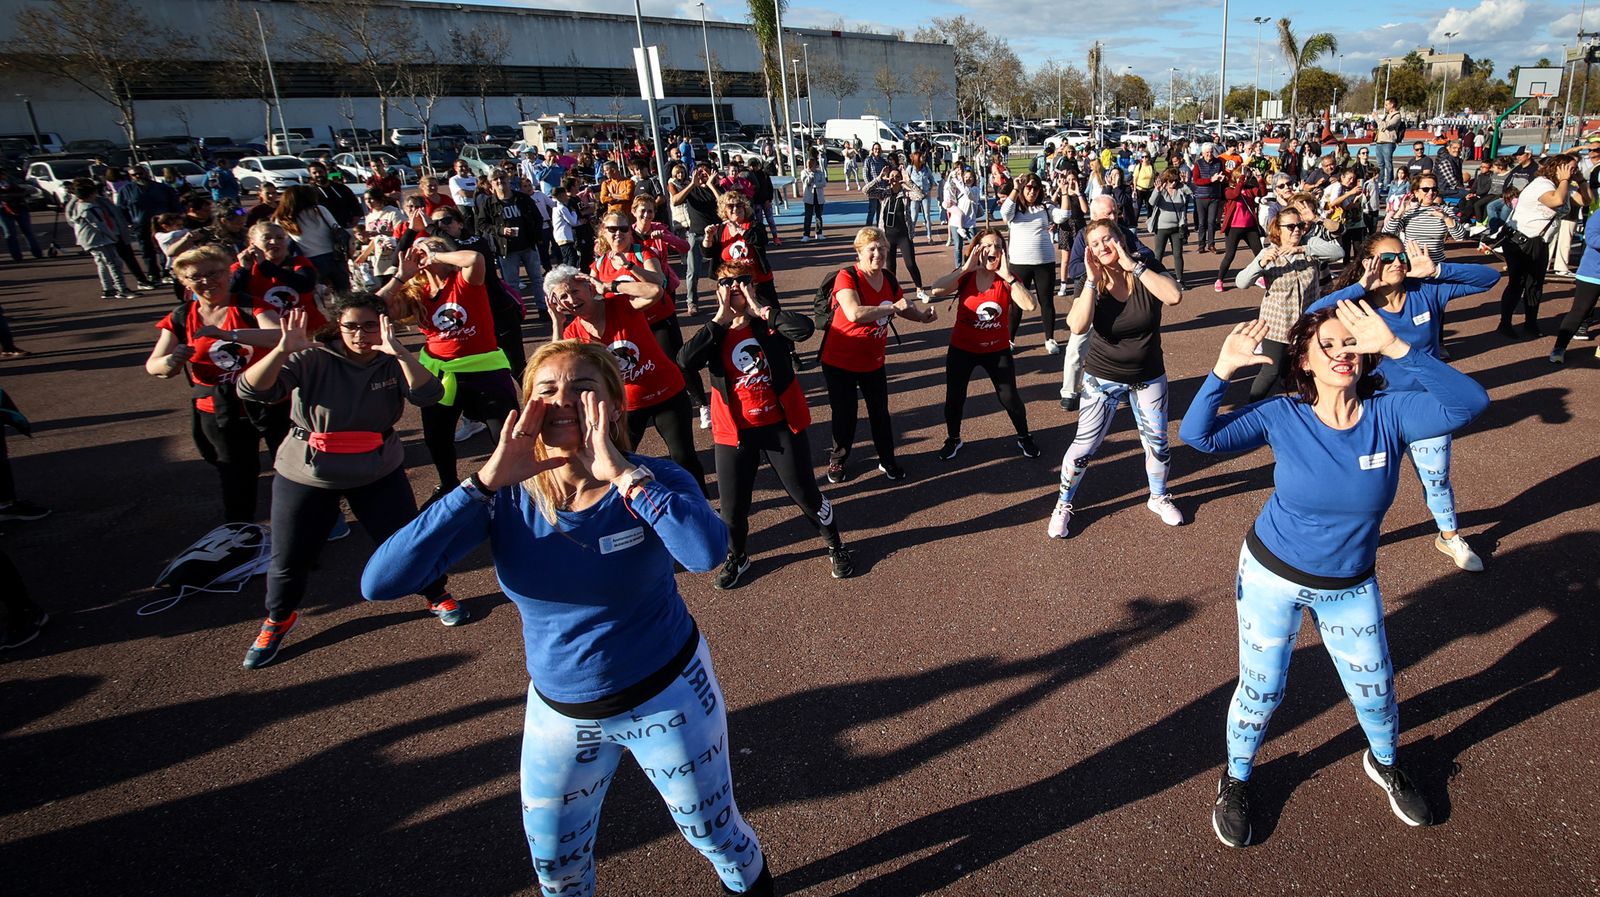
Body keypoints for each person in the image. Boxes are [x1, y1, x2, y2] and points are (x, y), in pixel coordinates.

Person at [360, 339, 774, 896]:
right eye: (547, 389)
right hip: (561, 713)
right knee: (556, 868)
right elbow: (380, 583)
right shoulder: (505, 497)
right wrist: (482, 483)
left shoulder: (653, 479)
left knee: (716, 838)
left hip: (668, 696)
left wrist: (624, 476)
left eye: (583, 388)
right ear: (525, 404)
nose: (563, 401)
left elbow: (705, 553)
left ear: (614, 405)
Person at [1181, 300, 1490, 847]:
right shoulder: (1283, 415)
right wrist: (1223, 369)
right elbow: (1199, 437)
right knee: (1263, 690)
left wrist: (1398, 348)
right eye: (1328, 344)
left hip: (1349, 585)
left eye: (1351, 342)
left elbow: (1469, 403)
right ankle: (1235, 778)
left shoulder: (1391, 413)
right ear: (1304, 358)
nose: (1342, 352)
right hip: (1270, 575)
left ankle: (1386, 761)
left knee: (1374, 691)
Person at [235, 298, 457, 668]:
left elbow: (429, 395)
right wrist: (279, 351)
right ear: (338, 327)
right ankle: (278, 618)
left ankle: (436, 593)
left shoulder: (390, 360)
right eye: (351, 326)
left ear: (385, 326)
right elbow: (252, 390)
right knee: (290, 555)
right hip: (307, 470)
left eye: (370, 325)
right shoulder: (312, 357)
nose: (360, 334)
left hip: (376, 469)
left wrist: (401, 353)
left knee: (404, 541)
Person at [1305, 235, 1500, 571]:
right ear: (1369, 262)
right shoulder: (1358, 304)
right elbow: (1312, 313)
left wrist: (1436, 269)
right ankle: (1352, 539)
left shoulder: (1425, 291)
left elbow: (1490, 279)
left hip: (1427, 405)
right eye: (1387, 258)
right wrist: (1360, 286)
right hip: (1376, 407)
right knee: (1364, 480)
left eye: (1401, 256)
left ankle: (1449, 536)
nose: (1396, 263)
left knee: (1436, 477)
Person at [678, 260, 854, 589]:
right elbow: (685, 361)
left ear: (753, 285)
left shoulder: (769, 322)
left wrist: (760, 308)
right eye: (727, 282)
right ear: (718, 289)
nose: (735, 288)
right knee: (732, 509)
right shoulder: (714, 332)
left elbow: (803, 330)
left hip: (779, 426)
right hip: (735, 432)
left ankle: (835, 544)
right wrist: (719, 319)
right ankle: (738, 555)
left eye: (742, 281)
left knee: (806, 494)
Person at [1047, 219, 1185, 537]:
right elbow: (1077, 326)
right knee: (1084, 447)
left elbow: (1173, 296)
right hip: (1102, 378)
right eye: (1095, 243)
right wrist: (1093, 283)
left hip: (1148, 376)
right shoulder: (1090, 280)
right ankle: (1063, 503)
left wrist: (1132, 266)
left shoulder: (1145, 265)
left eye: (1108, 239)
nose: (1102, 247)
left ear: (1121, 239)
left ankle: (1159, 497)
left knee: (1158, 445)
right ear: (1089, 251)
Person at [145, 245, 291, 522]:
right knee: (235, 473)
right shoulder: (180, 317)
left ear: (228, 273)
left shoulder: (251, 305)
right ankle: (239, 531)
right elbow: (155, 366)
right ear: (183, 282)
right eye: (196, 276)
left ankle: (303, 527)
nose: (207, 281)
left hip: (269, 401)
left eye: (215, 273)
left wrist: (228, 334)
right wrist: (173, 360)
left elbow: (278, 338)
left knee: (289, 468)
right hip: (217, 408)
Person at [377, 238, 519, 499]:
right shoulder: (415, 293)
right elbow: (374, 309)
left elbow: (475, 259)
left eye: (433, 245)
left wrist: (436, 256)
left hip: (484, 369)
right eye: (419, 248)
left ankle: (513, 486)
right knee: (437, 436)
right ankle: (448, 483)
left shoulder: (466, 281)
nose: (425, 251)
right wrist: (400, 275)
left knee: (505, 433)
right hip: (440, 373)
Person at [548, 264, 706, 489]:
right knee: (618, 458)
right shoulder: (573, 331)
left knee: (683, 457)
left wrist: (610, 286)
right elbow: (557, 364)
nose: (571, 300)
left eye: (574, 291)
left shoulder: (620, 305)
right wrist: (557, 322)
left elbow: (655, 292)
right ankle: (629, 509)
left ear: (588, 287)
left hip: (667, 392)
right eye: (563, 296)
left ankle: (702, 507)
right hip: (625, 406)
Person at [819, 227, 937, 483]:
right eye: (871, 249)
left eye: (882, 248)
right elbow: (853, 313)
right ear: (859, 252)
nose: (878, 253)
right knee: (845, 414)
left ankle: (887, 460)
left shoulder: (888, 278)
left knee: (880, 413)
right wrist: (894, 307)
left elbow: (902, 307)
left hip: (872, 360)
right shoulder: (847, 276)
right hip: (840, 361)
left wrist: (922, 318)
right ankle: (838, 461)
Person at [923, 228, 1040, 461]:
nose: (992, 250)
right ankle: (953, 438)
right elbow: (935, 289)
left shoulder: (1007, 278)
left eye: (998, 246)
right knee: (955, 396)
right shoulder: (966, 275)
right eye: (987, 245)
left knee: (1009, 397)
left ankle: (1024, 435)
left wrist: (1008, 276)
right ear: (977, 249)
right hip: (962, 349)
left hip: (996, 350)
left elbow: (1030, 306)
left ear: (1003, 253)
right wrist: (965, 268)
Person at [1234, 207, 1344, 401]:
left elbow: (1338, 252)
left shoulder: (1310, 245)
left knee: (1303, 370)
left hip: (1305, 323)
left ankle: (1304, 409)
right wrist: (1259, 265)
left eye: (1300, 226)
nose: (1296, 230)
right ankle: (1250, 409)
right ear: (1279, 229)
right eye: (1291, 226)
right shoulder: (1269, 252)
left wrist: (1302, 248)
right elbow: (1241, 282)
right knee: (1271, 371)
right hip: (1276, 324)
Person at [1500, 154, 1578, 338]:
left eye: (1576, 168)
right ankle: (1504, 324)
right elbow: (1556, 201)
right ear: (1558, 168)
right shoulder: (1542, 184)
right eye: (1571, 168)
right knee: (1517, 283)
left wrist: (1579, 179)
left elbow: (1586, 201)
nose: (1573, 172)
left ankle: (1531, 324)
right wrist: (1566, 179)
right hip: (1521, 240)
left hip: (1539, 241)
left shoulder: (1561, 185)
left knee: (1534, 285)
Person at [1000, 173, 1060, 350]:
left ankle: (1050, 339)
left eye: (1036, 188)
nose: (1032, 191)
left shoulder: (1045, 207)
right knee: (1016, 303)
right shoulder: (1015, 208)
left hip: (1044, 262)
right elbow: (1004, 213)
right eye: (1029, 187)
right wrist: (1016, 188)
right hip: (1020, 263)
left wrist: (1064, 193)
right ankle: (1010, 339)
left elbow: (1062, 216)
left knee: (1046, 301)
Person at [234, 222, 326, 333]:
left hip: (310, 330)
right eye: (266, 238)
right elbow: (230, 294)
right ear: (252, 243)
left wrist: (264, 264)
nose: (274, 242)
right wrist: (243, 270)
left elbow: (306, 285)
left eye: (280, 238)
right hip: (268, 335)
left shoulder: (299, 263)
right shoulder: (242, 267)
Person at [66, 178, 138, 299]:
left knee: (102, 263)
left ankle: (108, 288)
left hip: (92, 239)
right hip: (99, 239)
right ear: (91, 194)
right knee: (114, 263)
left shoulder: (78, 206)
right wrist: (113, 236)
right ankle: (121, 289)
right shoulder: (89, 208)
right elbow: (100, 225)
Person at [273, 185, 350, 293]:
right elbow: (336, 228)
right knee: (344, 293)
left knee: (315, 295)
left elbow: (282, 240)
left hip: (308, 261)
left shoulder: (282, 219)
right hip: (334, 257)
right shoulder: (320, 210)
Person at [866, 166, 927, 297]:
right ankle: (892, 292)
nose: (894, 179)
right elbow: (866, 191)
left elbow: (920, 195)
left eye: (897, 177)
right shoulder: (884, 193)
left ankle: (920, 289)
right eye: (892, 177)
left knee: (910, 264)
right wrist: (879, 178)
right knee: (890, 267)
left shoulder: (906, 193)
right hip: (887, 236)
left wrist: (908, 181)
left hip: (903, 235)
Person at [1382, 174, 1466, 265]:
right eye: (1426, 189)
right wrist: (1400, 211)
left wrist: (1446, 218)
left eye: (1434, 189)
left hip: (1435, 265)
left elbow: (1460, 236)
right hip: (1411, 265)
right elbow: (1387, 234)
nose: (1430, 192)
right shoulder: (1409, 211)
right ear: (1416, 192)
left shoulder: (1444, 210)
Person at [1214, 167, 1265, 293]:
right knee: (1230, 255)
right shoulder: (1228, 190)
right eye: (1243, 176)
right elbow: (1235, 194)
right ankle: (1220, 279)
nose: (1246, 179)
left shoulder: (1249, 190)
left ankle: (1260, 277)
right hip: (1234, 228)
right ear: (1236, 177)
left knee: (1260, 254)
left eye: (1247, 177)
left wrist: (1259, 179)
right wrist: (1241, 180)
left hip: (1250, 227)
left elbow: (1261, 193)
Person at [1148, 168, 1191, 288]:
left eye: (1176, 181)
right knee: (1159, 253)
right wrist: (1157, 191)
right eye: (1171, 181)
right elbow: (1151, 202)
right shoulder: (1161, 190)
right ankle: (1156, 278)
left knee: (1178, 254)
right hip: (1161, 227)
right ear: (1166, 180)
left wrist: (1187, 183)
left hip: (1177, 227)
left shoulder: (1180, 189)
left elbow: (1191, 193)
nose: (1174, 183)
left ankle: (1180, 279)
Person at [1191, 143, 1227, 253]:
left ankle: (1211, 244)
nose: (1209, 154)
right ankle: (1201, 245)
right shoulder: (1198, 164)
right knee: (1202, 223)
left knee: (1212, 222)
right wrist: (1211, 180)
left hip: (1214, 196)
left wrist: (1222, 179)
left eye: (1211, 152)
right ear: (1203, 153)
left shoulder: (1218, 162)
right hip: (1201, 197)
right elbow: (1196, 180)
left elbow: (1223, 175)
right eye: (1207, 152)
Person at [795, 155, 827, 241]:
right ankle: (806, 235)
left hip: (819, 197)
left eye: (812, 164)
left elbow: (824, 183)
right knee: (808, 216)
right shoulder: (804, 172)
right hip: (809, 198)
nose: (810, 166)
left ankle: (819, 233)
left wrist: (816, 185)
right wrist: (811, 174)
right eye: (809, 164)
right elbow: (806, 182)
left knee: (818, 216)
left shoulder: (820, 173)